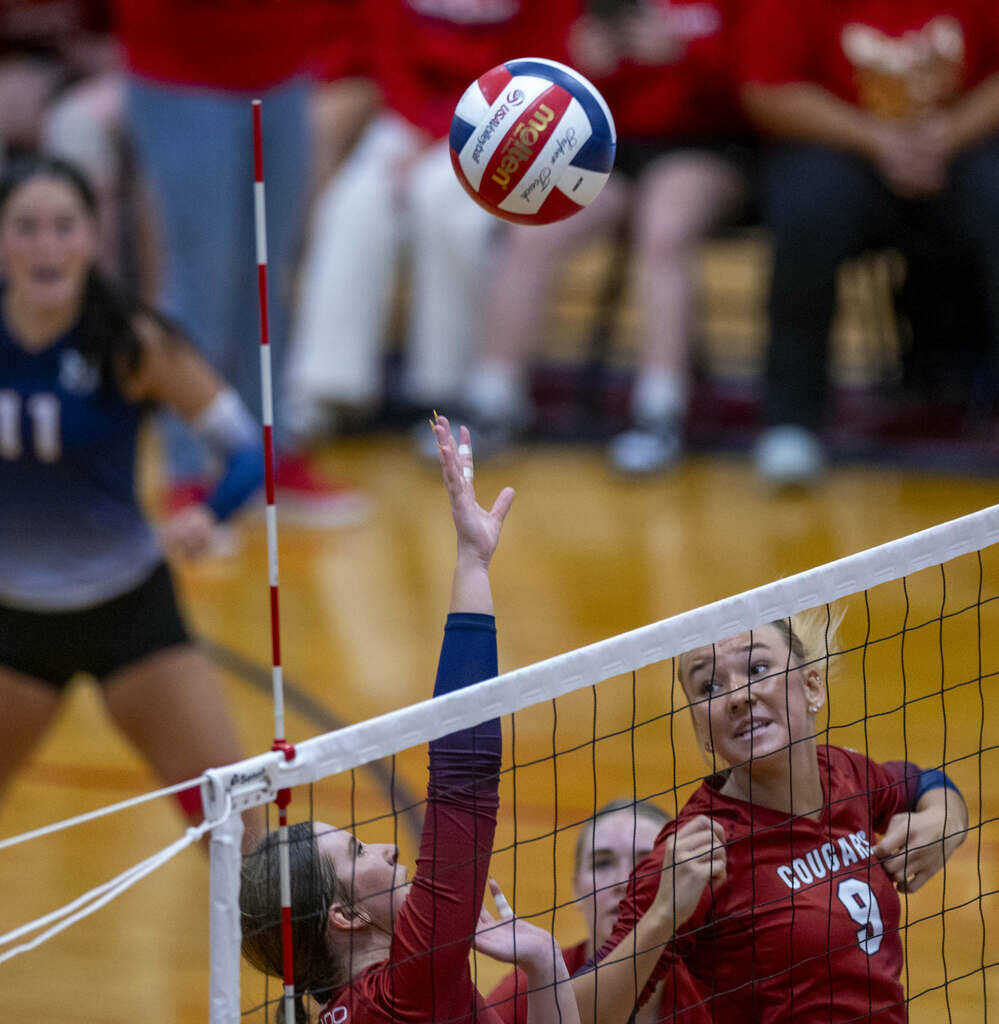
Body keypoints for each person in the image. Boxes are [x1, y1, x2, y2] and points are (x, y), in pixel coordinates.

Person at [240, 415, 582, 1024]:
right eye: (355, 851)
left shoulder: (364, 1007)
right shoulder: (408, 990)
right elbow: (464, 778)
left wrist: (542, 960)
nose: (387, 850)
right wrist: (472, 566)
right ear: (345, 918)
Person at [0, 156, 265, 835]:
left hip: (131, 618)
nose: (46, 246)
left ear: (92, 238)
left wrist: (208, 512)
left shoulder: (132, 343)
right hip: (11, 628)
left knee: (239, 830)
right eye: (26, 228)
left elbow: (247, 449)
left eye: (65, 227)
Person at [571, 614, 969, 1021]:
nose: (737, 696)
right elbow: (574, 1016)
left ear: (811, 686)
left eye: (757, 668)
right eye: (710, 685)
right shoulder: (698, 849)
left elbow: (922, 782)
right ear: (701, 729)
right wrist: (662, 918)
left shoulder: (847, 774)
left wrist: (947, 819)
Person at [460, 0, 754, 473]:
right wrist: (579, 67)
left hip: (706, 144)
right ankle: (494, 401)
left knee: (662, 229)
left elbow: (761, 87)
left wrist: (686, 55)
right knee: (527, 233)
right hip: (605, 148)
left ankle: (660, 412)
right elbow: (528, 82)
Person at [114, 0, 366, 527]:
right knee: (198, 277)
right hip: (181, 73)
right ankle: (189, 472)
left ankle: (270, 458)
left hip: (282, 68)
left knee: (269, 273)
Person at [284, 0, 574, 447]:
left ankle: (444, 395)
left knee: (444, 206)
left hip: (508, 129)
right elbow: (389, 60)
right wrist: (420, 129)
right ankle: (329, 386)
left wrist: (445, 137)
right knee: (354, 204)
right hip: (408, 117)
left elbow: (540, 71)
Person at [738, 0, 999, 486]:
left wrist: (948, 135)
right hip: (845, 146)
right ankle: (790, 424)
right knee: (808, 209)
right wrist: (878, 139)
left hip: (963, 144)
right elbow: (767, 92)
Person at [487, 798, 685, 1024]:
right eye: (602, 864)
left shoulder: (711, 986)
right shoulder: (524, 993)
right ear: (576, 889)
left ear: (676, 879)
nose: (623, 881)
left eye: (647, 863)